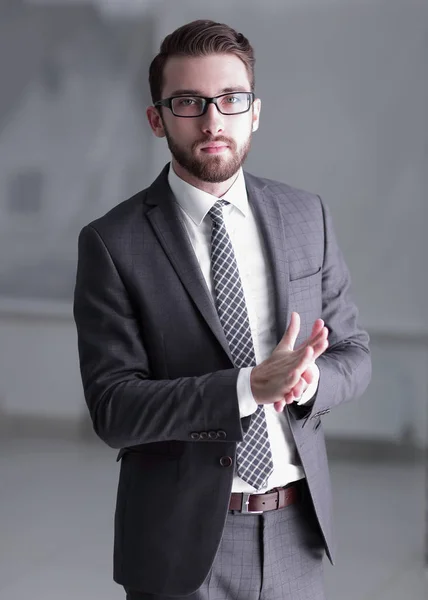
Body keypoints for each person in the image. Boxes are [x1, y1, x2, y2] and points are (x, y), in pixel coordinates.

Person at [73, 19, 371, 600]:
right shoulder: (112, 242)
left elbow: (356, 354)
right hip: (178, 546)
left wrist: (307, 382)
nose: (213, 121)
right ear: (157, 118)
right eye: (189, 102)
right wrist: (246, 387)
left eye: (231, 100)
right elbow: (113, 409)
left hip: (296, 534)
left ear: (254, 112)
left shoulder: (307, 216)